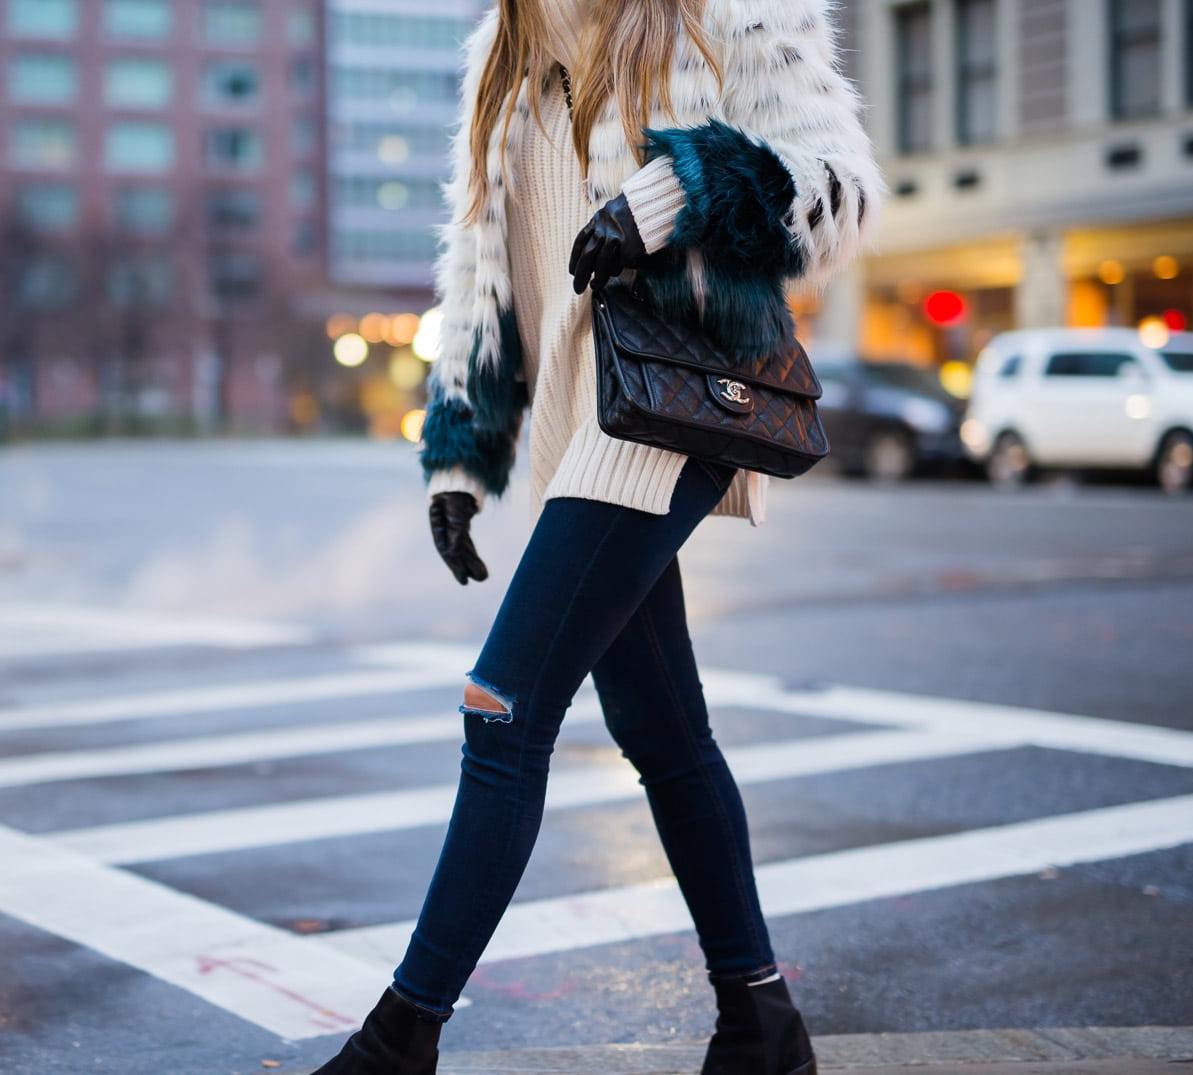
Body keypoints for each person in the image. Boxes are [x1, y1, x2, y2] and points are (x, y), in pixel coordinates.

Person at [312, 0, 881, 1072]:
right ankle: (759, 1022)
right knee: (662, 732)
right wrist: (459, 452)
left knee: (502, 707)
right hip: (574, 434)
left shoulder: (727, 16)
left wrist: (674, 193)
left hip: (668, 409)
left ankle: (401, 1037)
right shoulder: (503, 52)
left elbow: (837, 189)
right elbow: (480, 274)